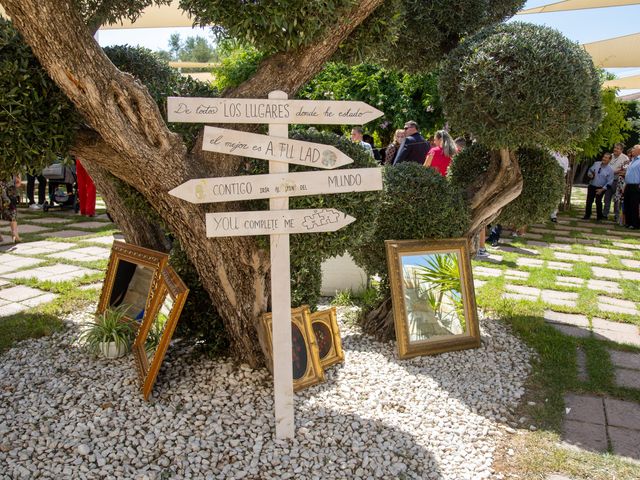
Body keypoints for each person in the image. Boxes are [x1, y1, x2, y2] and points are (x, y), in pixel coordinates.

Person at [583, 152, 614, 221]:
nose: (604, 158)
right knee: (589, 201)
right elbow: (590, 171)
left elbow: (610, 181)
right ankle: (587, 215)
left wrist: (602, 189)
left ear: (609, 160)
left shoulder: (610, 170)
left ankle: (599, 217)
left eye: (606, 158)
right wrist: (590, 175)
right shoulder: (596, 163)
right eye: (603, 157)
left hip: (601, 188)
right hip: (592, 185)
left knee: (598, 201)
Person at [605, 143, 629, 222]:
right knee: (607, 198)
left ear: (621, 150)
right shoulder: (610, 156)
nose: (615, 149)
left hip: (618, 181)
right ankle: (605, 214)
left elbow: (625, 170)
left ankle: (616, 216)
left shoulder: (625, 158)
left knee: (616, 199)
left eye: (618, 148)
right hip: (608, 180)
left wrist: (614, 171)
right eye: (615, 147)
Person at [0, 175, 22, 243]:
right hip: (10, 185)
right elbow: (18, 182)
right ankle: (14, 233)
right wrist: (18, 177)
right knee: (12, 209)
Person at [623, 145, 640, 229]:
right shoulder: (632, 160)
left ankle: (635, 224)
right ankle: (628, 222)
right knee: (627, 204)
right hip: (628, 185)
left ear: (639, 150)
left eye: (633, 148)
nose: (632, 150)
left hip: (636, 186)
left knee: (634, 205)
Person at [549, 151, 569, 223]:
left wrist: (558, 178)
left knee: (556, 197)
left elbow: (565, 171)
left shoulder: (565, 158)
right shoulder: (550, 152)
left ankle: (553, 215)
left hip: (558, 179)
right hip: (548, 177)